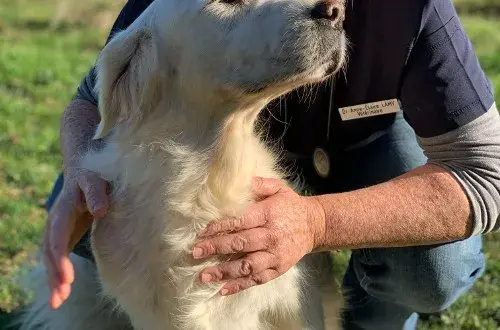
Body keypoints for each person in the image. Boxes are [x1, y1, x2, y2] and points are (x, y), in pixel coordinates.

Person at [43, 0, 500, 329]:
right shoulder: (158, 19)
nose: (328, 10)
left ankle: (371, 323)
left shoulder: (414, 8)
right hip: (225, 140)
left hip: (368, 139)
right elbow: (91, 102)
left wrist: (316, 223)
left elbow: (486, 173)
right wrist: (82, 172)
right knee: (94, 220)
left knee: (434, 266)